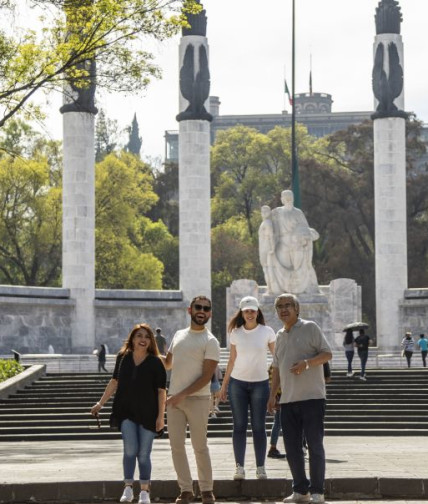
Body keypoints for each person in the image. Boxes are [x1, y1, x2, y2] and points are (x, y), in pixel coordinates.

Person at [90, 324, 166, 504]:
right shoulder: (122, 358)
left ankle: (145, 491)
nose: (143, 339)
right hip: (126, 411)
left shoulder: (156, 362)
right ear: (132, 338)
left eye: (147, 337)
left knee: (144, 453)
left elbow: (161, 391)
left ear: (151, 341)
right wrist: (101, 403)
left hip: (149, 413)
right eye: (139, 336)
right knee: (130, 450)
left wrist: (160, 417)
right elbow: (114, 381)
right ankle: (128, 487)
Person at [268, 293, 332, 504]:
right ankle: (300, 490)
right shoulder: (278, 335)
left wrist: (306, 363)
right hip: (287, 400)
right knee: (292, 448)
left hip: (312, 397)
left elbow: (327, 354)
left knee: (314, 445)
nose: (284, 309)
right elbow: (276, 368)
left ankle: (317, 491)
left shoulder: (310, 327)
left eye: (288, 305)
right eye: (279, 306)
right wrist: (272, 395)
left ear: (297, 308)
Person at [162, 296, 220, 504]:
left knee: (199, 446)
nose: (202, 311)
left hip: (198, 399)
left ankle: (206, 490)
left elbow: (206, 377)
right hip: (174, 401)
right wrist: (149, 350)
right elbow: (168, 364)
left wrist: (181, 395)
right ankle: (185, 490)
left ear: (210, 313)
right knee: (176, 446)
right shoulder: (178, 334)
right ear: (190, 310)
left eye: (206, 308)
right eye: (198, 307)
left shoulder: (211, 341)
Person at [220, 295, 276, 480]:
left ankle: (261, 467)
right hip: (237, 384)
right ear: (242, 313)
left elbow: (277, 358)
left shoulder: (267, 331)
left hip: (260, 383)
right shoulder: (235, 333)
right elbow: (231, 360)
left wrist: (278, 384)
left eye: (253, 310)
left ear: (257, 311)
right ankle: (239, 467)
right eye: (246, 311)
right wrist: (224, 385)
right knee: (239, 426)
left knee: (259, 426)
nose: (250, 314)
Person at [269, 189, 320, 294]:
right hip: (284, 244)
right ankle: (286, 289)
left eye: (288, 197)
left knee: (300, 267)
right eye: (285, 197)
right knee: (289, 268)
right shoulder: (278, 212)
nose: (287, 199)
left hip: (294, 244)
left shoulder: (293, 212)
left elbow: (305, 228)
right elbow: (272, 230)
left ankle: (304, 287)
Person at [267, 364, 286, 459]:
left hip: (278, 395)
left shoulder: (272, 365)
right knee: (279, 423)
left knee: (278, 423)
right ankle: (273, 448)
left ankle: (273, 447)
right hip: (282, 396)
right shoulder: (277, 365)